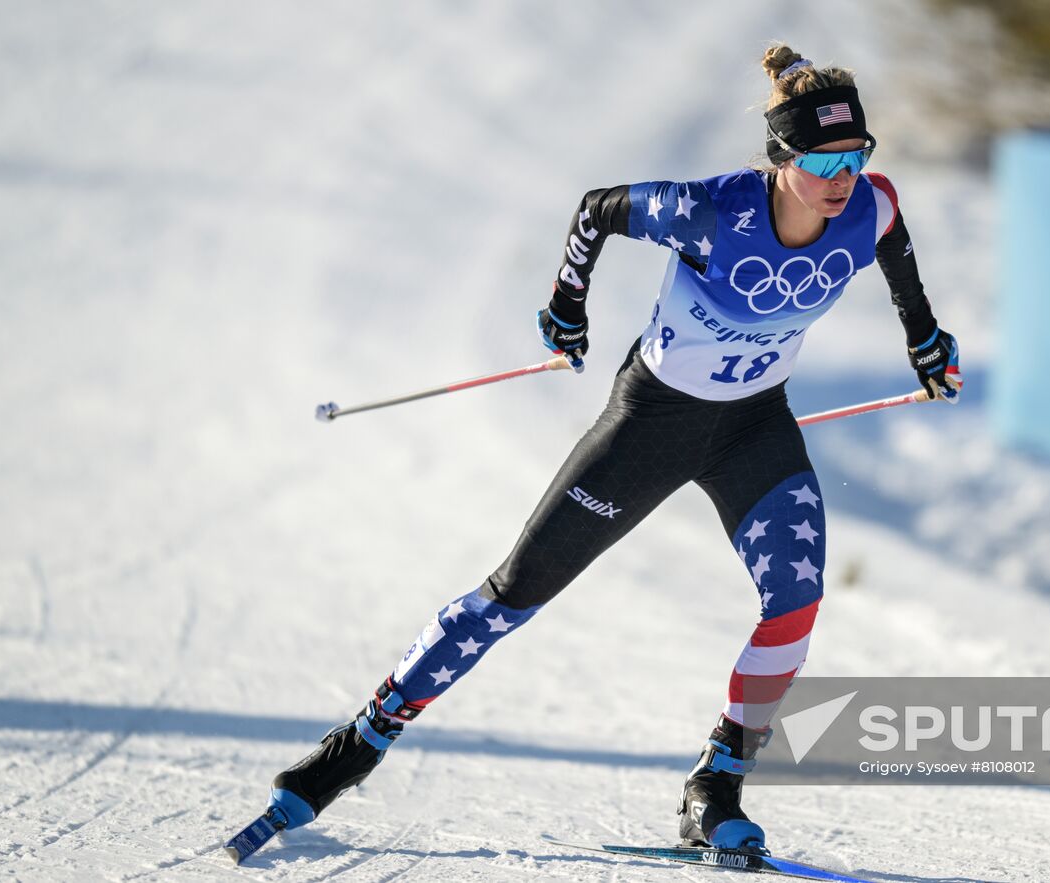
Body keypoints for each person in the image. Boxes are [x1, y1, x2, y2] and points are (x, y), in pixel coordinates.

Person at [262, 44, 960, 853]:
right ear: (780, 157)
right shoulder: (710, 210)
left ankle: (715, 783)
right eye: (821, 157)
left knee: (795, 601)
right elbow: (597, 209)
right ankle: (360, 741)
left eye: (854, 154)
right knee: (514, 592)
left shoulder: (868, 206)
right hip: (651, 423)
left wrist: (925, 336)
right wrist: (566, 303)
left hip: (754, 427)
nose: (841, 176)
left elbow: (895, 243)